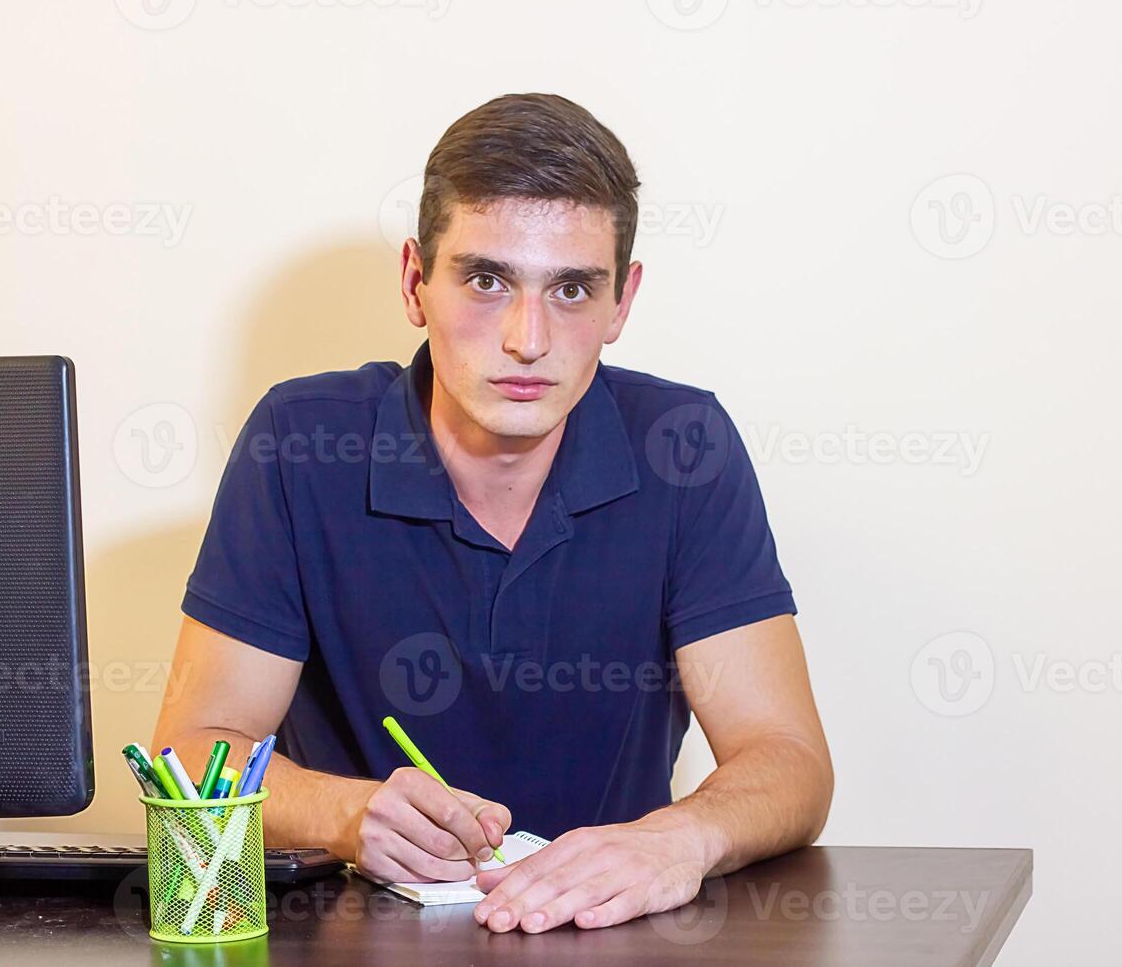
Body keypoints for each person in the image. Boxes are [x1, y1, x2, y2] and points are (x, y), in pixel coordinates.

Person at [153, 92, 833, 934]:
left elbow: (791, 761)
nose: (527, 338)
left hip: (610, 942)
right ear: (415, 282)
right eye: (486, 279)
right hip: (354, 941)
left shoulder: (683, 445)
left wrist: (677, 840)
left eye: (574, 289)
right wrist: (340, 813)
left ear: (622, 302)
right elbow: (192, 755)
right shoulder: (300, 440)